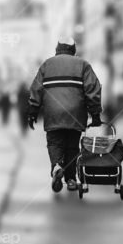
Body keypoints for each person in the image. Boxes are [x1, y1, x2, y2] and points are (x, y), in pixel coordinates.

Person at [27, 37, 103, 193]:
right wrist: (95, 114)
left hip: (53, 114)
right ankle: (70, 179)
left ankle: (56, 166)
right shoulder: (83, 65)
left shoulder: (47, 65)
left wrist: (33, 111)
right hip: (75, 113)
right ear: (73, 49)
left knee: (55, 143)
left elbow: (36, 89)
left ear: (57, 49)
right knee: (72, 147)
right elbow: (93, 89)